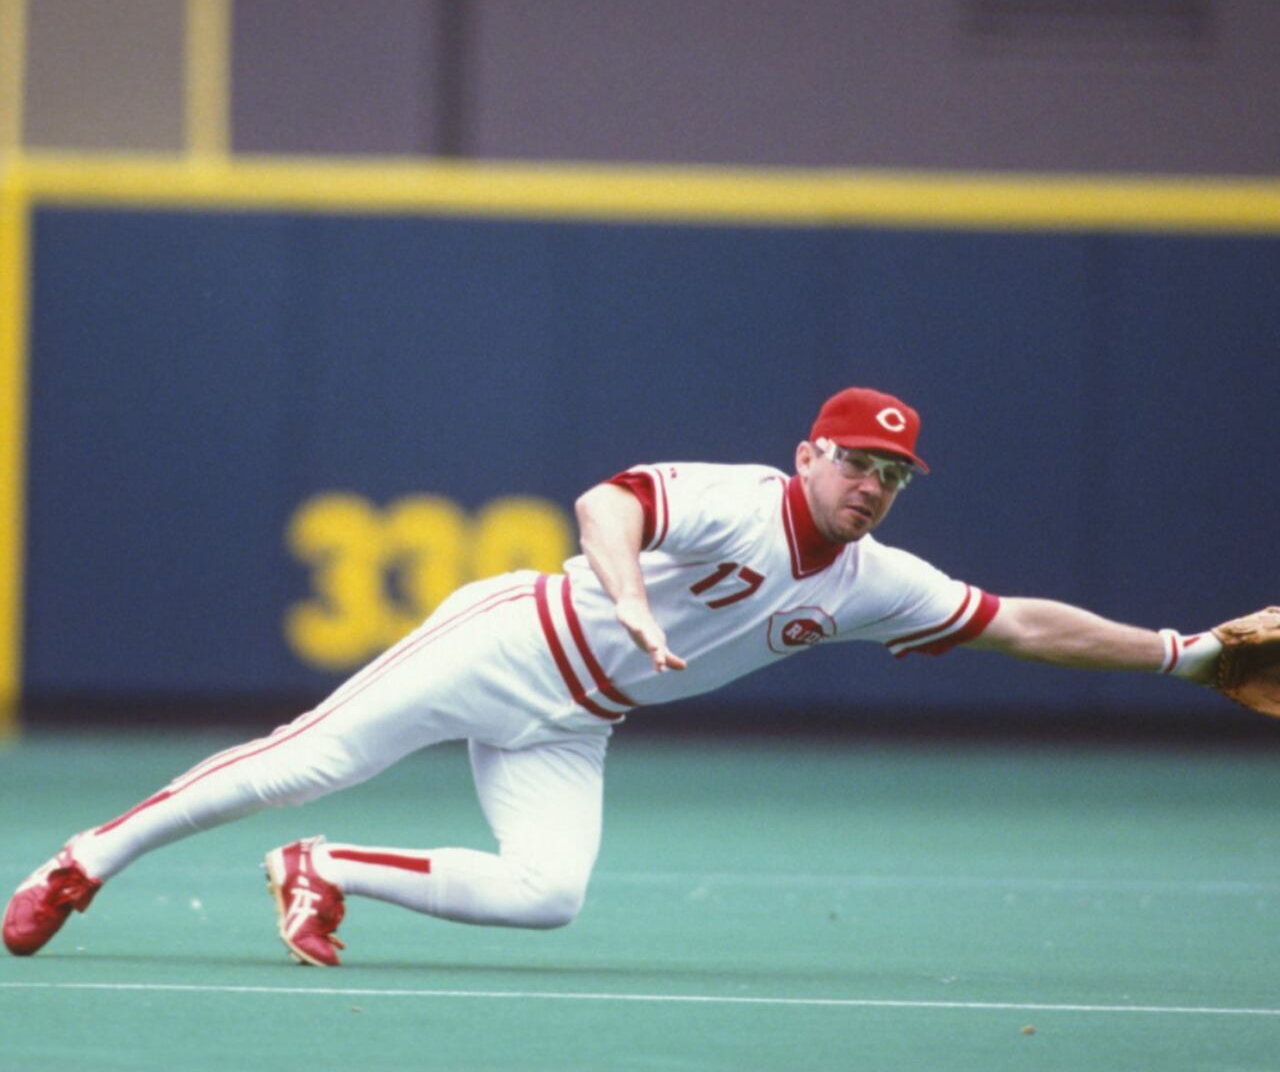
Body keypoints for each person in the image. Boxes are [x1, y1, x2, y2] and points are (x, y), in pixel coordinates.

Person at [3, 387, 1222, 966]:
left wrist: (1180, 651)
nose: (870, 485)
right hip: (509, 638)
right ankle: (74, 865)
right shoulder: (742, 501)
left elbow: (1020, 624)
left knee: (547, 893)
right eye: (854, 462)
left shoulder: (871, 581)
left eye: (890, 476)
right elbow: (603, 503)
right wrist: (632, 601)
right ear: (807, 453)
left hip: (575, 719)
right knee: (302, 758)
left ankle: (322, 870)